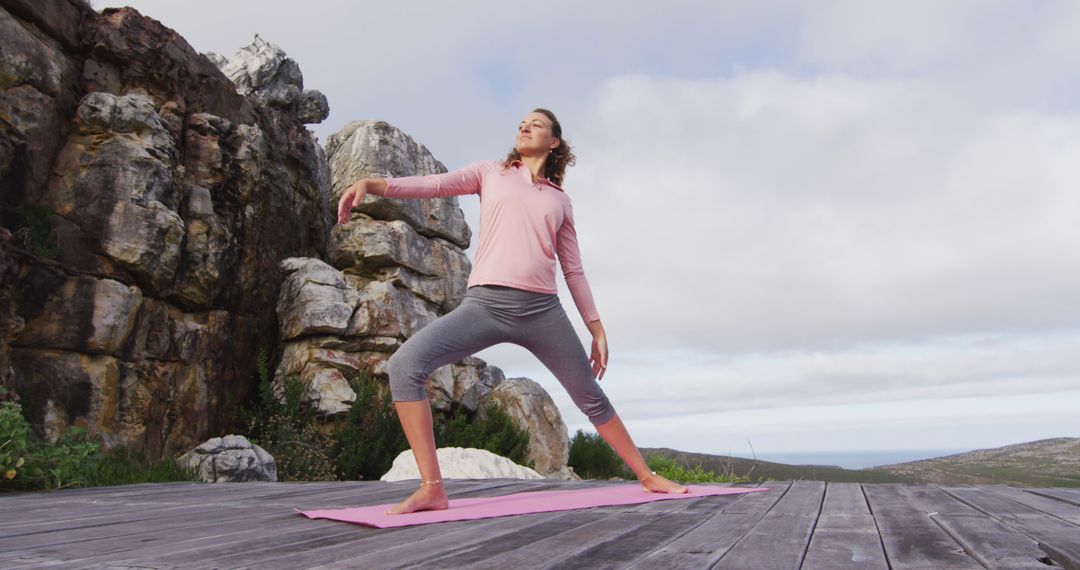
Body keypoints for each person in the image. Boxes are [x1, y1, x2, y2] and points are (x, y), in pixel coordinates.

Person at [336, 108, 689, 516]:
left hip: (542, 311)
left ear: (554, 141)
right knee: (404, 366)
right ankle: (432, 488)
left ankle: (647, 477)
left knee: (590, 395)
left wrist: (596, 327)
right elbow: (435, 185)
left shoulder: (560, 201)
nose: (525, 126)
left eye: (536, 124)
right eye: (522, 123)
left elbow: (573, 269)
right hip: (484, 304)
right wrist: (373, 183)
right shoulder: (491, 173)